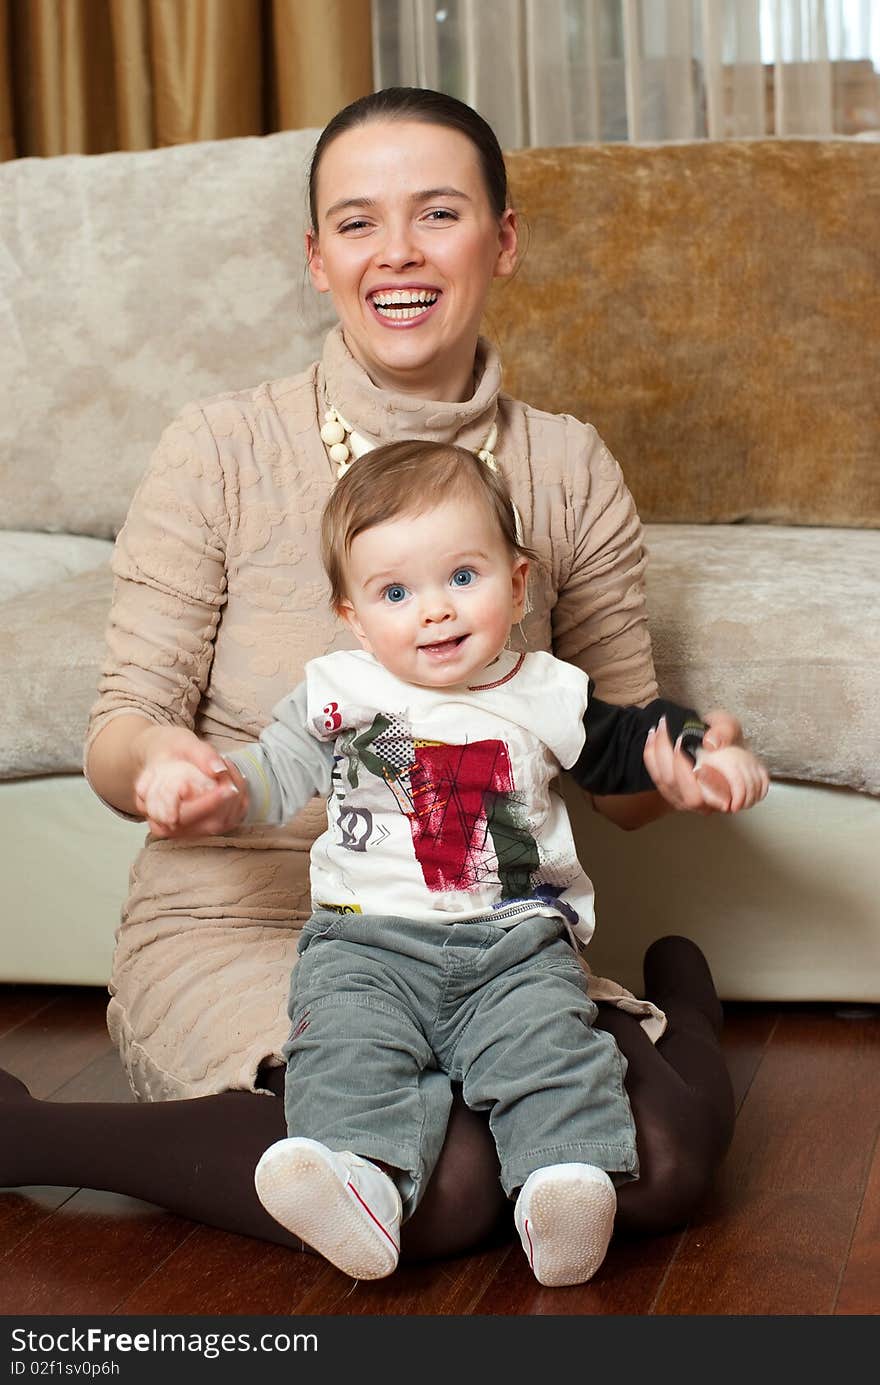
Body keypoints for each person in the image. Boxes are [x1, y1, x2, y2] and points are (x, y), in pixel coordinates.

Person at [1, 87, 750, 1259]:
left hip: (491, 932)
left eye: (437, 214)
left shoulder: (563, 463)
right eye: (355, 223)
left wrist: (680, 764)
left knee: (647, 1168)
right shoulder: (221, 447)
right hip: (253, 915)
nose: (395, 253)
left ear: (501, 239)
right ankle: (27, 1136)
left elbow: (617, 768)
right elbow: (124, 725)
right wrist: (167, 769)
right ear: (315, 258)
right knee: (438, 1181)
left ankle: (685, 1004)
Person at [135, 439, 768, 1285]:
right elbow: (269, 772)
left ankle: (562, 1182)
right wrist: (212, 790)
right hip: (365, 945)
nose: (434, 610)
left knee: (550, 1048)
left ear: (516, 582)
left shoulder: (543, 688)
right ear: (354, 616)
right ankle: (356, 1178)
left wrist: (691, 754)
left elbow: (628, 739)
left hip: (512, 945)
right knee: (343, 1051)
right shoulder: (341, 691)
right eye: (397, 592)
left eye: (461, 578)